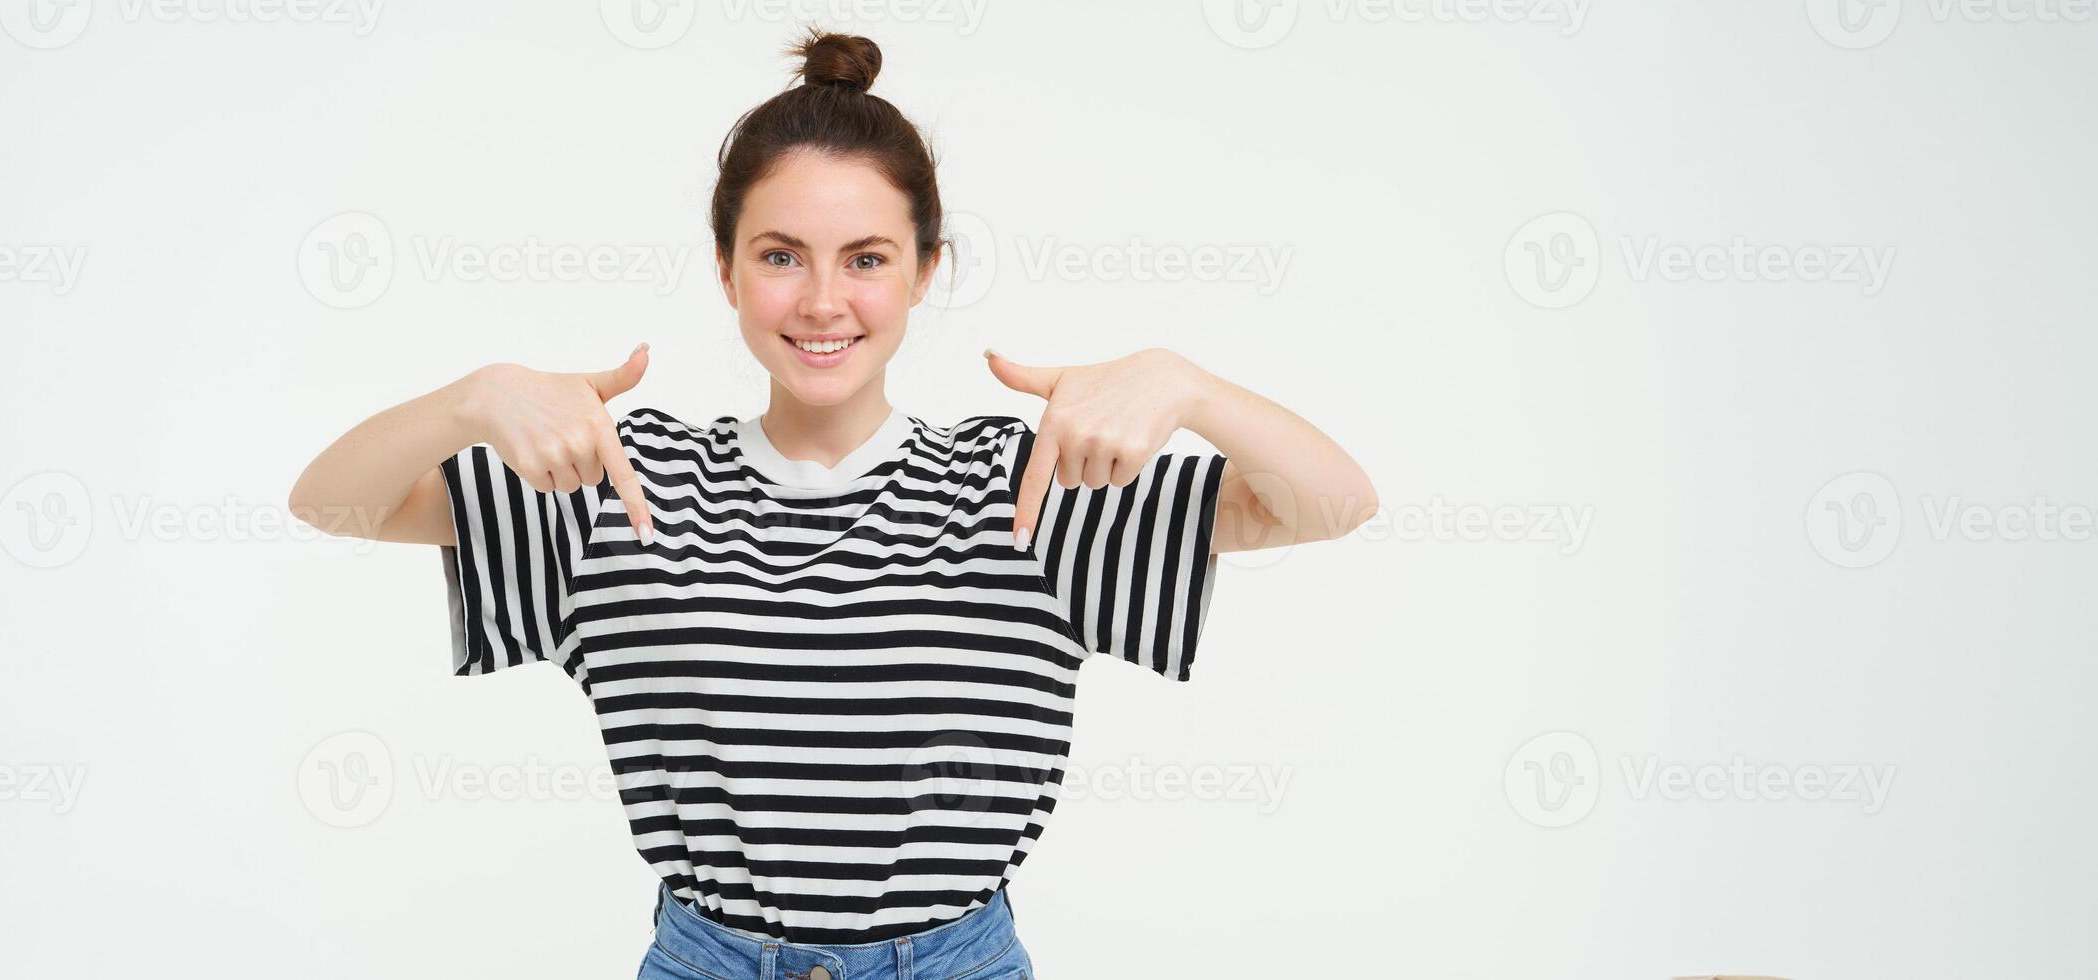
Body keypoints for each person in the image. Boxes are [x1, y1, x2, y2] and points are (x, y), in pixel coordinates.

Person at [288, 27, 1377, 979]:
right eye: (778, 255)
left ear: (922, 272)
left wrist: (1186, 383)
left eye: (865, 258)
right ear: (724, 269)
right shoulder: (619, 482)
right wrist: (468, 398)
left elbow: (1330, 502)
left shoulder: (1026, 485)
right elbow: (329, 503)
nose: (820, 300)